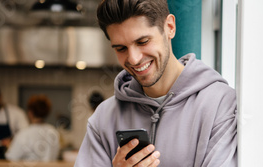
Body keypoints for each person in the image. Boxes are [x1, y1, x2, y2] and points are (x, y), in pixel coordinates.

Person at [74, 0, 238, 166]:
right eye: (121, 48)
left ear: (169, 27)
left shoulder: (220, 104)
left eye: (143, 41)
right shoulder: (103, 118)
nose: (134, 59)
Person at [5, 95, 60, 161]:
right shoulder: (53, 132)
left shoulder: (24, 134)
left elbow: (11, 157)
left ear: (30, 113)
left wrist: (9, 146)